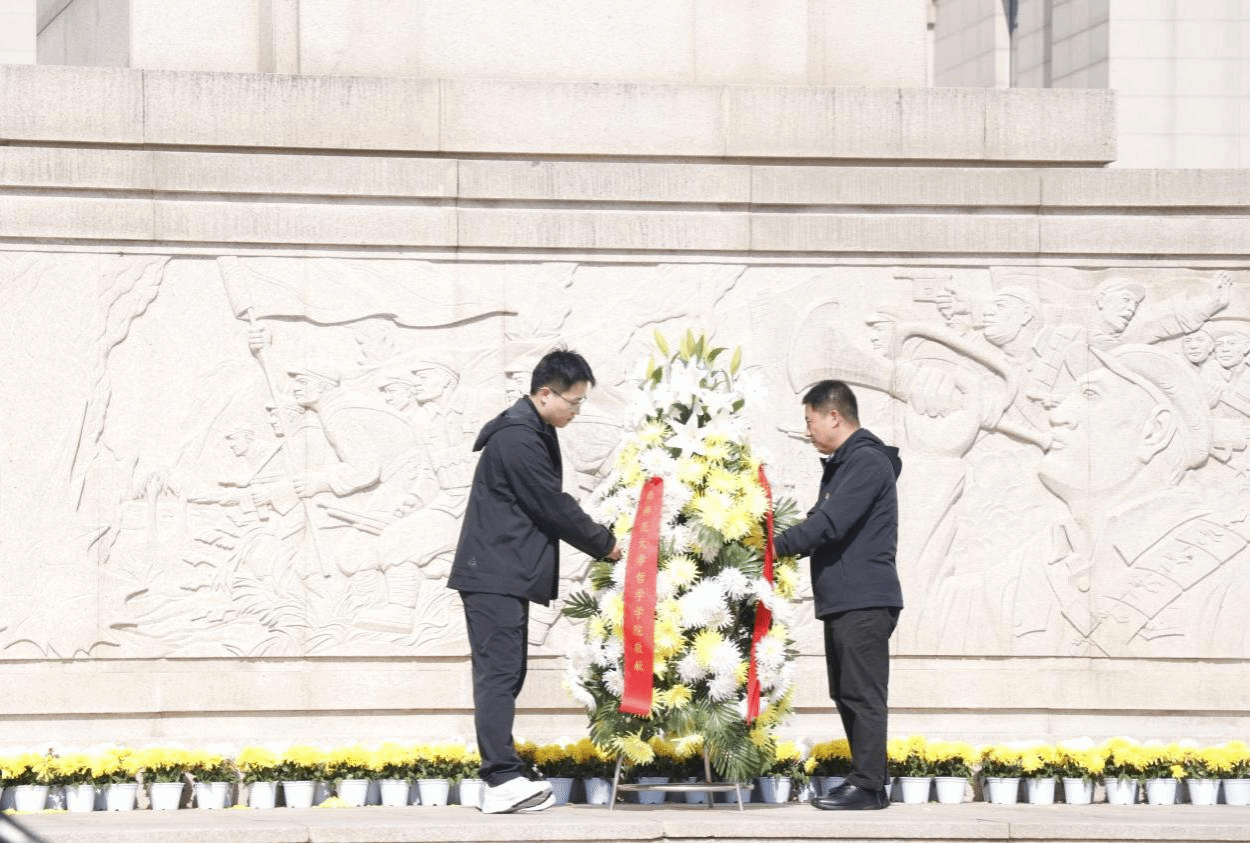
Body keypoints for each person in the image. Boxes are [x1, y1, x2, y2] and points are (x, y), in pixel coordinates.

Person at [448, 349, 622, 814]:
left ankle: (504, 772)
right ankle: (500, 779)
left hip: (504, 575)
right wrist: (605, 543)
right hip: (494, 576)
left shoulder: (532, 430)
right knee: (498, 675)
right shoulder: (518, 438)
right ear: (545, 394)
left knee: (507, 672)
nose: (576, 411)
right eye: (573, 401)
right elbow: (551, 504)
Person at [772, 380, 903, 811]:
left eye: (810, 420)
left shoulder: (866, 462)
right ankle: (868, 780)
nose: (808, 430)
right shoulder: (846, 464)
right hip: (846, 601)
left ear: (834, 416)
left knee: (863, 694)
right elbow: (821, 521)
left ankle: (868, 786)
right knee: (847, 693)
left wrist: (770, 548)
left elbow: (828, 524)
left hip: (864, 600)